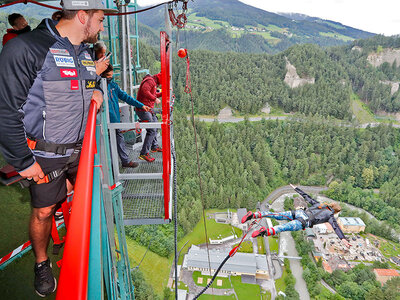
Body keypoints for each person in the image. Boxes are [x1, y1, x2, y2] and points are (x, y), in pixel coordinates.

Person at [0, 1, 116, 297]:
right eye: (100, 20)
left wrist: (98, 93)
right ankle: (42, 262)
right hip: (45, 156)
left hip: (81, 151)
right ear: (82, 16)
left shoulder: (85, 53)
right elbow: (5, 111)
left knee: (88, 202)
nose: (102, 26)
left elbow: (91, 82)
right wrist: (24, 162)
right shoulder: (26, 49)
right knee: (44, 211)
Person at [242, 184, 351, 248]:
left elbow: (307, 197)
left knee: (276, 215)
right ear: (335, 212)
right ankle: (264, 232)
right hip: (304, 221)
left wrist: (296, 188)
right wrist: (343, 238)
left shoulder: (320, 205)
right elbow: (336, 227)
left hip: (299, 213)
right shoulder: (330, 216)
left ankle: (254, 215)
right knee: (283, 227)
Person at [102, 64, 151, 168]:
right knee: (108, 146)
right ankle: (110, 169)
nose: (110, 78)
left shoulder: (113, 86)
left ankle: (125, 161)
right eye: (108, 76)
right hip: (104, 122)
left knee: (120, 141)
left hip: (115, 121)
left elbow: (126, 97)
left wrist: (141, 106)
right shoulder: (98, 89)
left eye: (111, 75)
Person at [136, 73, 163, 162]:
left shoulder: (152, 82)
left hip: (147, 109)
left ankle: (154, 146)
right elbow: (145, 91)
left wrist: (163, 93)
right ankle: (144, 153)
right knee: (151, 130)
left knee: (154, 124)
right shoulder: (150, 81)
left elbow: (153, 94)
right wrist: (155, 99)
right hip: (143, 110)